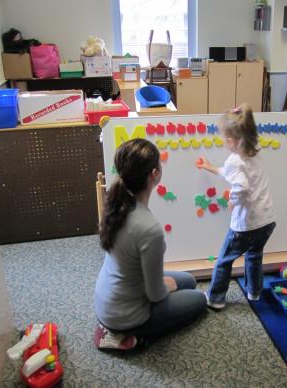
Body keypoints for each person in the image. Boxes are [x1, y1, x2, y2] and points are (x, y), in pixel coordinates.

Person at [94, 138, 206, 350]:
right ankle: (132, 337)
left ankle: (119, 329)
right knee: (198, 300)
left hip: (108, 300)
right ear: (155, 175)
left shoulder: (117, 203)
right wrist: (166, 287)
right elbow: (155, 294)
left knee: (189, 280)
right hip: (127, 315)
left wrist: (166, 285)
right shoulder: (149, 229)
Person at [197, 104, 276, 310]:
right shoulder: (255, 153)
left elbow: (240, 185)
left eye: (224, 139)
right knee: (254, 255)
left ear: (231, 142)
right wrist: (210, 167)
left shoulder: (234, 160)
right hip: (267, 220)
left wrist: (232, 200)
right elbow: (232, 173)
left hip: (246, 225)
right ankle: (255, 291)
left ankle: (215, 299)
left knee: (224, 260)